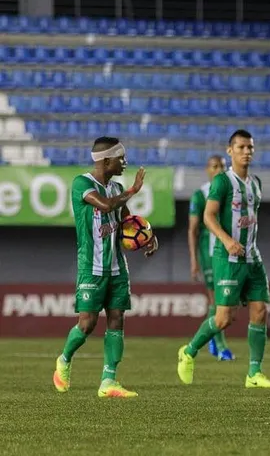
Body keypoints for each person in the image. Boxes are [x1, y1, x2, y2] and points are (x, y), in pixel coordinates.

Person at [52, 137, 159, 398]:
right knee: (87, 324)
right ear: (105, 160)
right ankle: (64, 360)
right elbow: (106, 205)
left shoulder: (117, 187)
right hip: (91, 267)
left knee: (117, 319)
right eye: (121, 158)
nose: (125, 163)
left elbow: (125, 219)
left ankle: (108, 381)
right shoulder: (82, 184)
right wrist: (132, 191)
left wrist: (147, 234)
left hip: (117, 267)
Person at [177, 129, 270, 389]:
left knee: (260, 311)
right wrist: (227, 241)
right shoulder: (222, 182)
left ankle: (254, 374)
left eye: (250, 148)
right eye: (241, 147)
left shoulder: (256, 182)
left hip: (252, 257)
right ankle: (189, 351)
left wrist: (245, 243)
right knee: (224, 318)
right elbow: (208, 217)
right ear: (230, 150)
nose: (246, 152)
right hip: (227, 258)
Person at [188, 154, 234, 361]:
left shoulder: (233, 192)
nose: (218, 170)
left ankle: (213, 339)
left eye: (222, 166)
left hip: (229, 252)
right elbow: (193, 230)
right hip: (209, 254)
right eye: (214, 166)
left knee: (228, 304)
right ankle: (220, 345)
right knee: (216, 300)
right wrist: (194, 260)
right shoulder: (200, 195)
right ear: (207, 170)